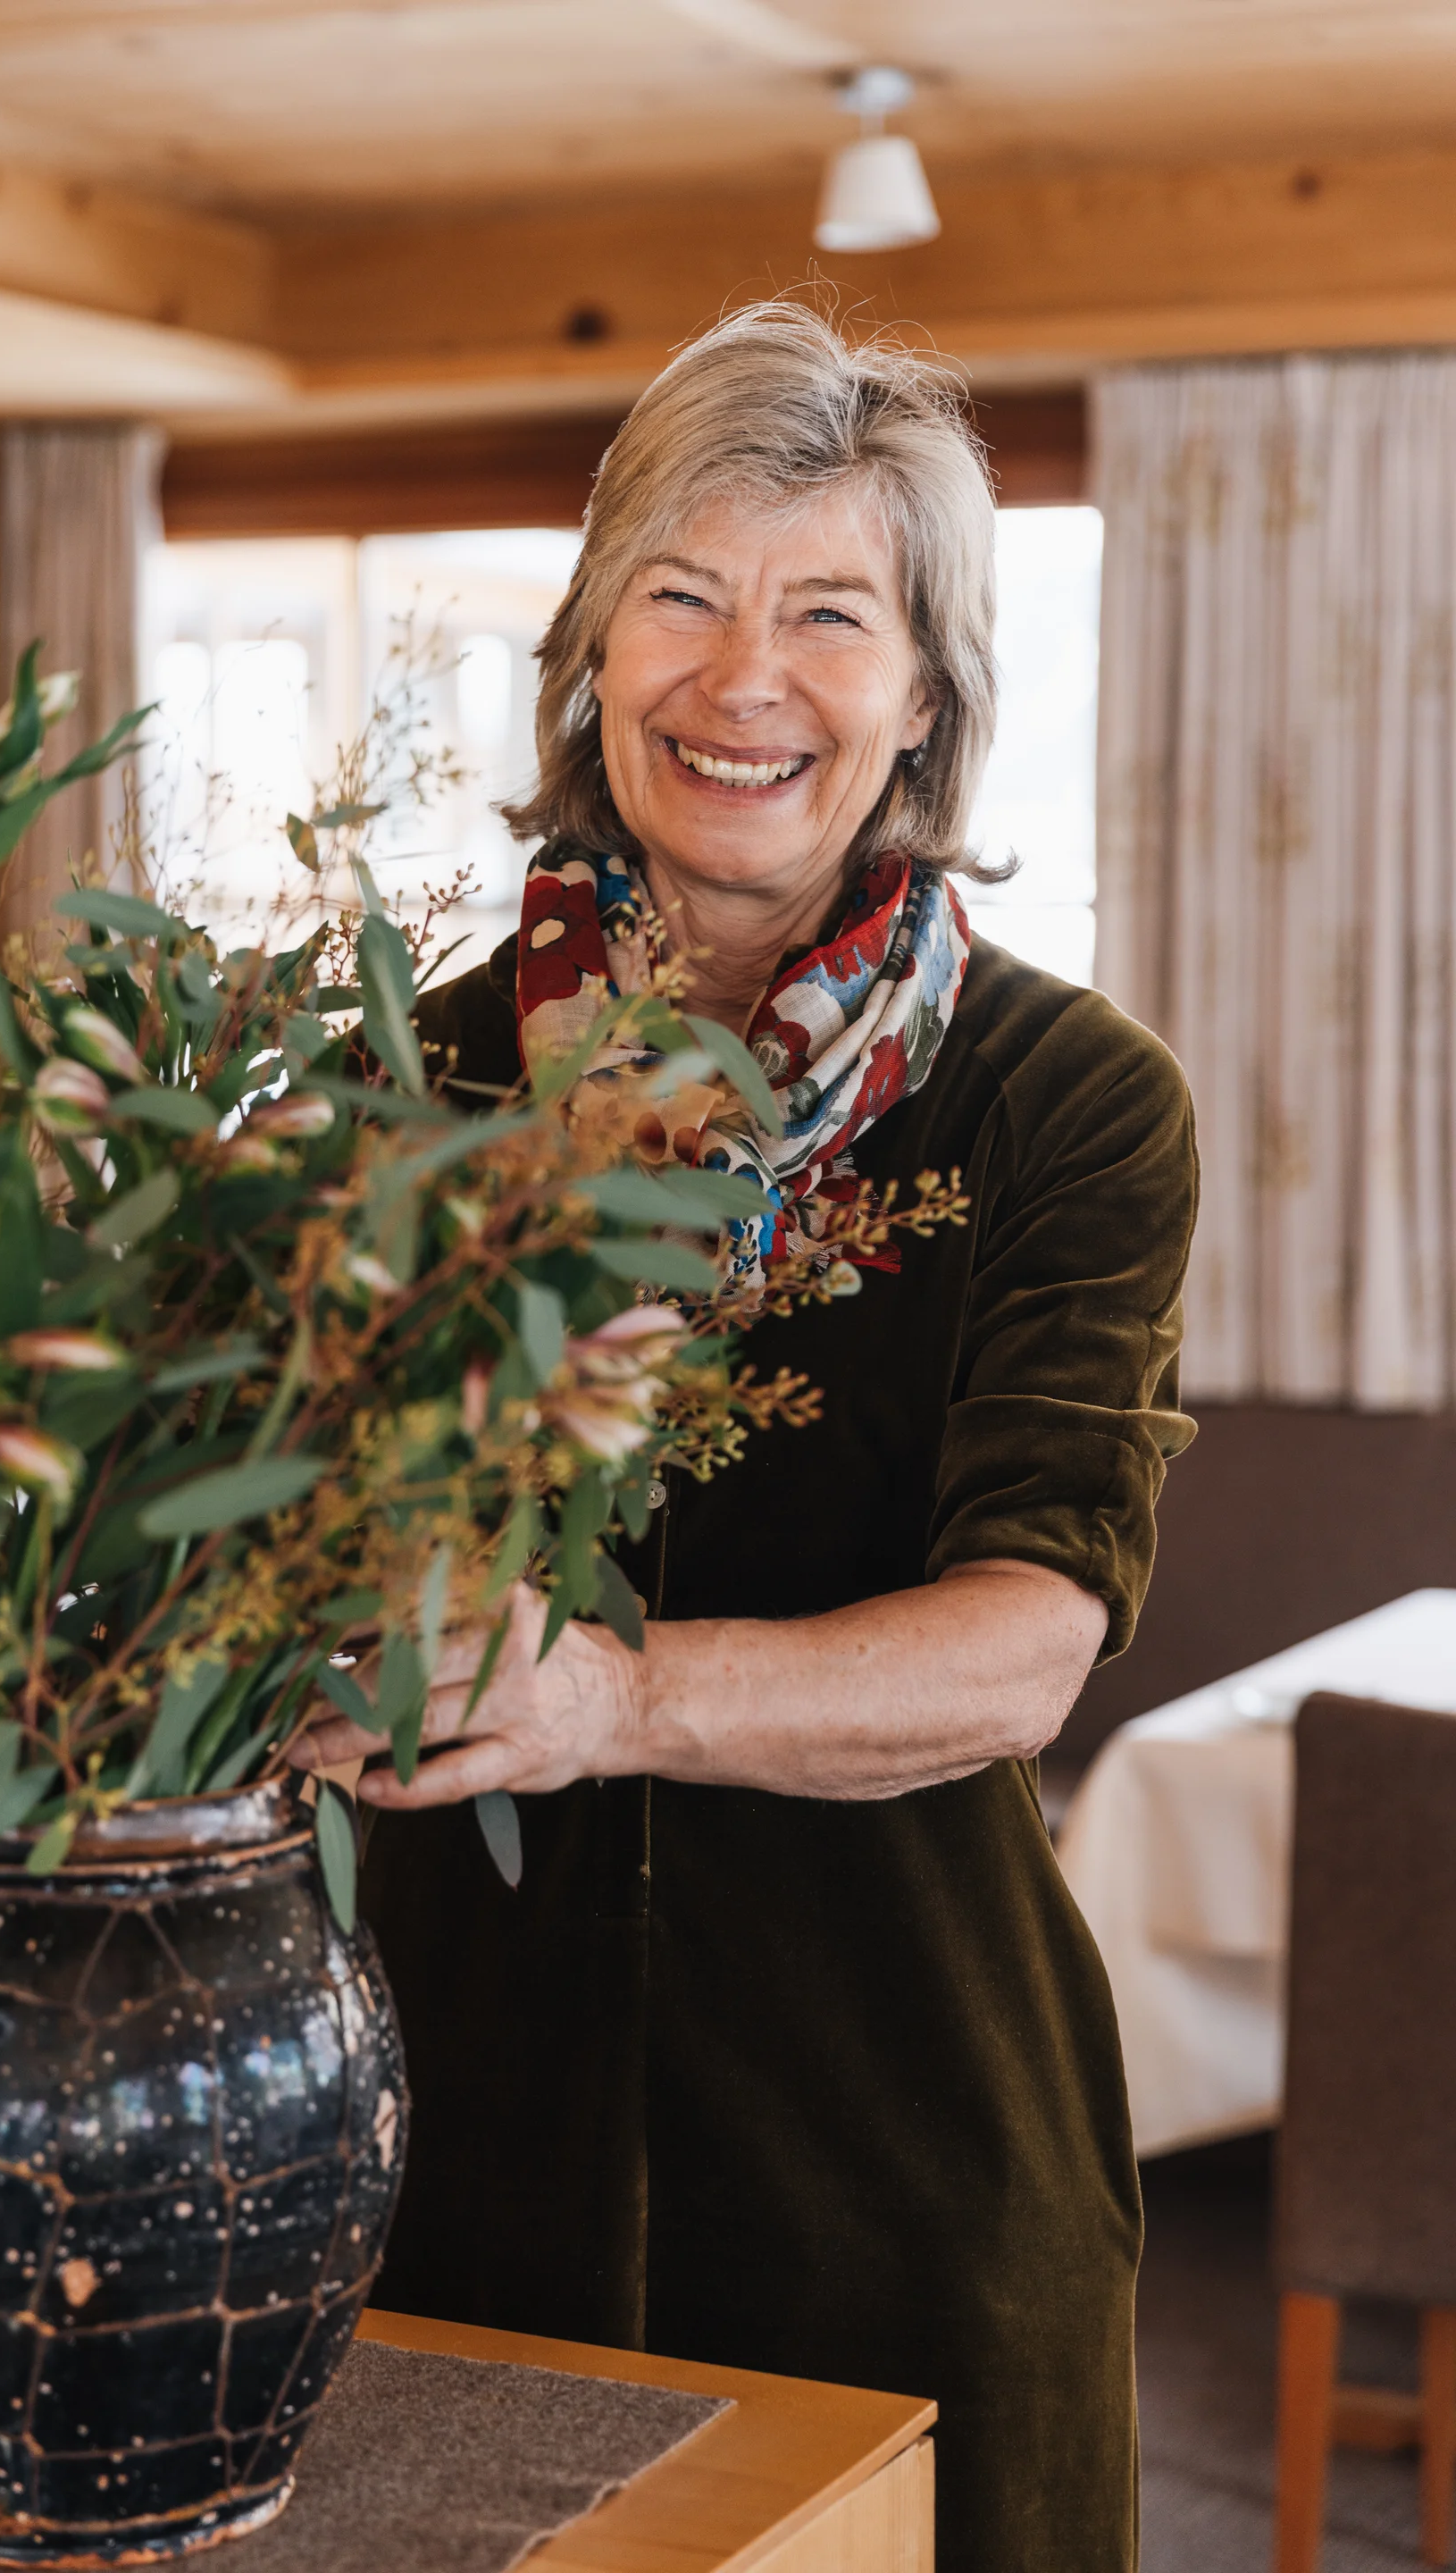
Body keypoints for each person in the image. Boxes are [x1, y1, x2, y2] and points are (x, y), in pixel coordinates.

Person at [294, 299, 1198, 2573]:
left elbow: (1023, 1648)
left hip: (902, 2182)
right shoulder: (414, 1085)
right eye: (681, 597)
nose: (742, 677)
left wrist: (610, 1698)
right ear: (596, 648)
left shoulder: (1063, 1103)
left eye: (828, 613)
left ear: (924, 697)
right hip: (440, 2176)